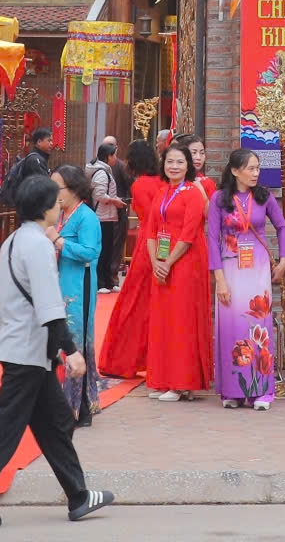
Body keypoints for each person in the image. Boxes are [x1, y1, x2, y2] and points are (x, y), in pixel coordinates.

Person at [0, 174, 115, 530]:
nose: (58, 205)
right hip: (27, 351)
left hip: (25, 348)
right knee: (5, 429)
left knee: (56, 423)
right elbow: (49, 303)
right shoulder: (37, 245)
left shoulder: (14, 241)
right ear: (44, 207)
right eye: (55, 200)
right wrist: (71, 350)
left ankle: (78, 495)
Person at [205, 148, 285, 409]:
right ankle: (233, 391)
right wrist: (219, 278)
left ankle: (262, 391)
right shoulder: (219, 199)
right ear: (234, 171)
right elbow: (212, 238)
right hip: (230, 268)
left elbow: (282, 226)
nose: (256, 173)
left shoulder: (264, 197)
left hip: (257, 269)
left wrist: (284, 259)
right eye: (250, 168)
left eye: (257, 168)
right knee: (231, 326)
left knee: (258, 324)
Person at [145, 140, 214, 401]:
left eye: (179, 162)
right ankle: (163, 379)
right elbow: (151, 229)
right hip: (162, 260)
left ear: (188, 166)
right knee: (162, 320)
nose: (174, 166)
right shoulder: (162, 191)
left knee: (182, 319)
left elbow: (189, 233)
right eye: (170, 161)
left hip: (186, 260)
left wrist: (168, 262)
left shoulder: (193, 192)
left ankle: (182, 382)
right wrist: (155, 262)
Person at [96, 138, 162, 379]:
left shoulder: (140, 185)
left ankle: (122, 359)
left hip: (148, 244)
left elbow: (152, 218)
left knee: (134, 303)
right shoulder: (164, 182)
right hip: (165, 242)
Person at [53, 165, 104, 427]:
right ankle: (64, 404)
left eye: (57, 188)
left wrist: (59, 242)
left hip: (78, 287)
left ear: (73, 189)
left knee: (76, 342)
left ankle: (78, 407)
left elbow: (90, 251)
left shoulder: (86, 217)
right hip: (60, 285)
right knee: (61, 343)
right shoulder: (60, 215)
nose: (53, 193)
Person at [89, 140, 127, 294]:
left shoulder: (105, 170)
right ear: (108, 156)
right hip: (102, 216)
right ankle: (100, 283)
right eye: (114, 155)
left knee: (108, 250)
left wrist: (114, 200)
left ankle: (108, 282)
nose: (115, 159)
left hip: (108, 216)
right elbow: (99, 195)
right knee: (103, 251)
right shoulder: (102, 173)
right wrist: (114, 201)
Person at [2, 126, 55, 202]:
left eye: (52, 141)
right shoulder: (35, 160)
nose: (51, 143)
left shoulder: (38, 158)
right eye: (49, 141)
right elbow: (43, 184)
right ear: (39, 142)